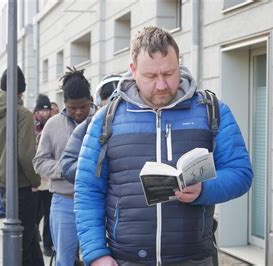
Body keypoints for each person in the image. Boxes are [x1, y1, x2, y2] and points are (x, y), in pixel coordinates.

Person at [74, 26, 253, 266]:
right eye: (151, 76)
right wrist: (96, 254)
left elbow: (241, 173)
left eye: (169, 73)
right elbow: (87, 190)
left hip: (194, 258)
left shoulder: (211, 110)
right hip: (125, 260)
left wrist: (204, 189)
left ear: (179, 65)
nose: (161, 85)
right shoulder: (106, 120)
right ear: (133, 71)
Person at [33, 67, 96, 266]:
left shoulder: (102, 122)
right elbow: (39, 162)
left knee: (96, 259)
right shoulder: (52, 125)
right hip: (64, 202)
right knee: (65, 260)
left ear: (91, 99)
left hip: (96, 202)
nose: (78, 112)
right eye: (72, 108)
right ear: (64, 104)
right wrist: (67, 170)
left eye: (83, 107)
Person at [0, 66, 43, 266]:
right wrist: (36, 180)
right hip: (22, 184)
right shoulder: (22, 114)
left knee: (27, 235)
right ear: (21, 91)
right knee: (24, 239)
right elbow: (26, 154)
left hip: (2, 179)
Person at [60, 74, 121, 183]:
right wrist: (96, 164)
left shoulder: (142, 123)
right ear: (99, 102)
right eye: (109, 103)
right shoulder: (88, 126)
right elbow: (68, 167)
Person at [33, 94, 54, 257]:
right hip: (33, 178)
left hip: (49, 179)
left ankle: (47, 245)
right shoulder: (31, 124)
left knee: (49, 213)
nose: (45, 113)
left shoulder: (53, 124)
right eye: (42, 110)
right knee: (35, 213)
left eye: (47, 110)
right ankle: (34, 239)